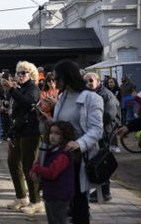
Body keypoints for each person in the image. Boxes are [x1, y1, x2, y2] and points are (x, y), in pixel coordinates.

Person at [53, 59, 104, 224]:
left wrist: (79, 144)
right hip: (62, 156)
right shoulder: (62, 96)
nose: (54, 82)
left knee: (80, 202)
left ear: (67, 77)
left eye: (57, 78)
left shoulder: (92, 98)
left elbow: (97, 130)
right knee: (64, 200)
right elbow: (60, 124)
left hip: (80, 158)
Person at [2, 61, 44, 214]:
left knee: (29, 166)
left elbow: (28, 103)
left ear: (31, 74)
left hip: (30, 132)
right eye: (18, 72)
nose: (20, 75)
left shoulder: (33, 88)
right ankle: (21, 197)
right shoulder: (21, 89)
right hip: (18, 131)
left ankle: (36, 201)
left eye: (24, 72)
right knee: (13, 162)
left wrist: (12, 90)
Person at [83, 72, 120, 202]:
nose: (88, 83)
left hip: (105, 132)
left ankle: (105, 192)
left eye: (91, 81)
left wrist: (89, 120)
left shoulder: (107, 95)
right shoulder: (89, 94)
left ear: (98, 81)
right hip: (95, 132)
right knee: (95, 161)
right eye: (86, 81)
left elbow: (109, 116)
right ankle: (100, 190)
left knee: (102, 161)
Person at [30, 121, 75, 224]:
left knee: (58, 220)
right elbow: (38, 163)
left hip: (59, 196)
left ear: (65, 136)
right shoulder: (50, 150)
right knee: (52, 219)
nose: (52, 136)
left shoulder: (63, 155)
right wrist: (33, 172)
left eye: (57, 133)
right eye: (51, 133)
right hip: (50, 194)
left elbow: (51, 172)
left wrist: (36, 168)